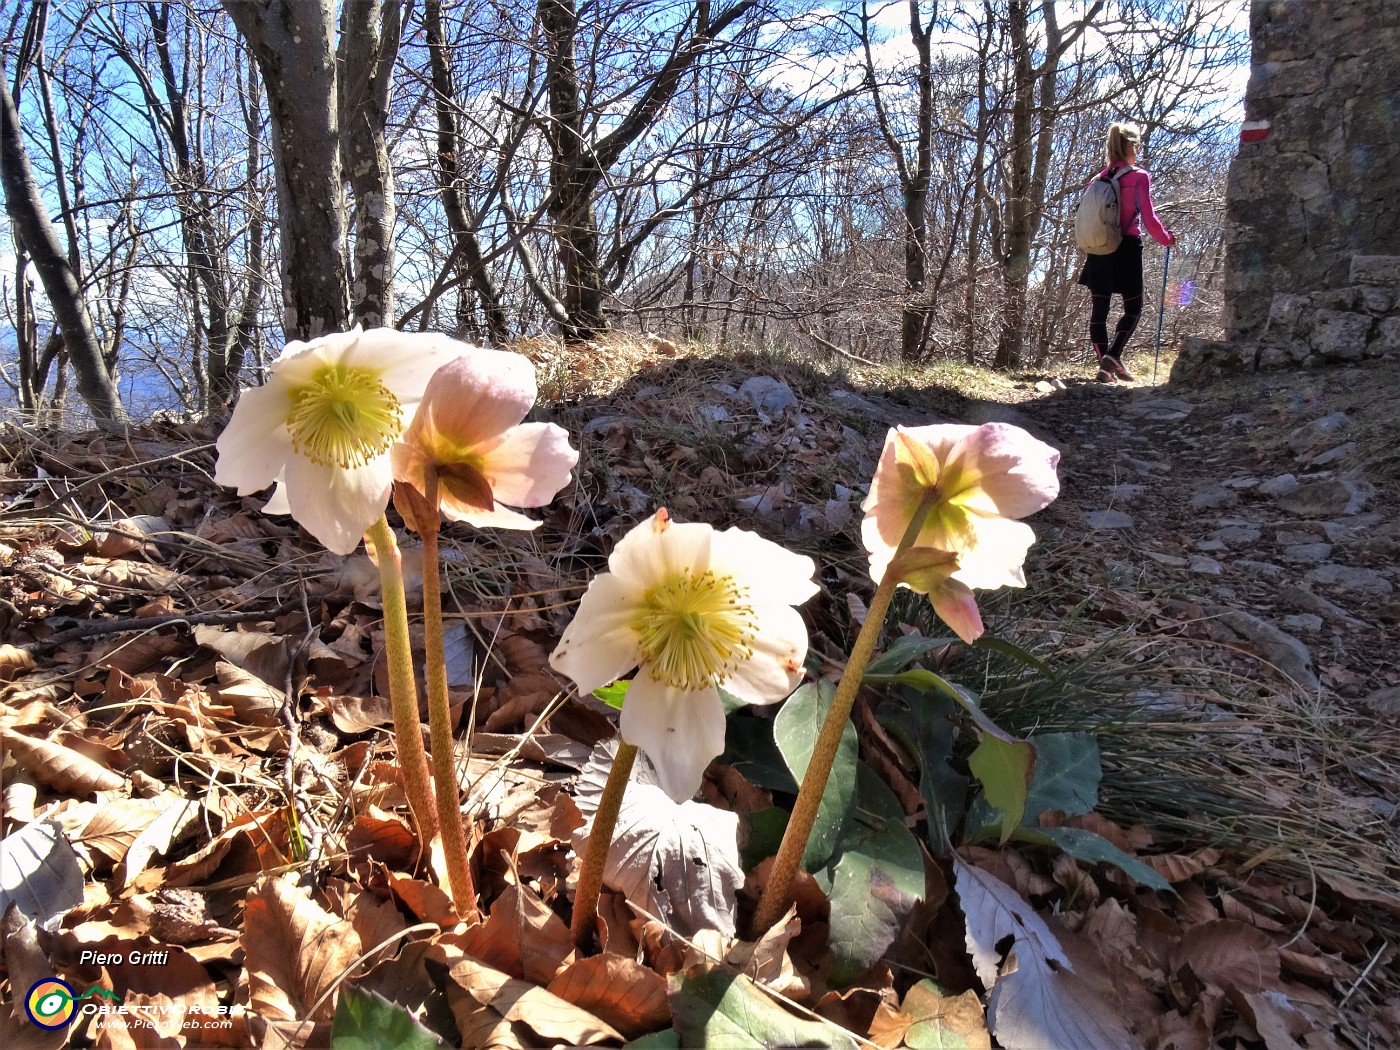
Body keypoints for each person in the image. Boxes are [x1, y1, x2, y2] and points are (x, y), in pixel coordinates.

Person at [1077, 121, 1176, 383]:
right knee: (1133, 307)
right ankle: (1113, 355)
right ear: (1130, 145)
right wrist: (1167, 239)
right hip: (1127, 247)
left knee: (1100, 309)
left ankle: (1105, 365)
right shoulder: (1139, 176)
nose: (1138, 150)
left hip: (1098, 248)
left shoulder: (1097, 180)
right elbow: (1150, 217)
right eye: (1137, 145)